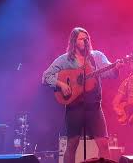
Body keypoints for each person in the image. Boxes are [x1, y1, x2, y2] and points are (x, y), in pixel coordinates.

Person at [42, 27, 123, 163]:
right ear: (74, 41)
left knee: (103, 143)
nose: (85, 41)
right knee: (72, 144)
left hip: (94, 107)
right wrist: (61, 84)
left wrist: (116, 68)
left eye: (87, 38)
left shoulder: (96, 56)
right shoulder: (64, 60)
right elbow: (46, 76)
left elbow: (108, 71)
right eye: (81, 39)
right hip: (74, 107)